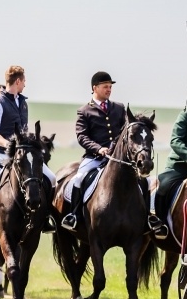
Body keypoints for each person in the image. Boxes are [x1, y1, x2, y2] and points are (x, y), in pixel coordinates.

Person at [60, 71, 166, 238]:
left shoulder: (119, 108)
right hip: (94, 157)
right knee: (78, 179)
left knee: (144, 181)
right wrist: (98, 148)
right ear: (95, 88)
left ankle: (147, 218)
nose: (109, 90)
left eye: (110, 87)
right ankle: (74, 215)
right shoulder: (85, 111)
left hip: (117, 158)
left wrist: (116, 148)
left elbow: (126, 132)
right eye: (105, 87)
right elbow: (82, 136)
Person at [0, 65, 57, 234]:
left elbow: (24, 131)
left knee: (52, 178)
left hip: (22, 155)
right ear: (18, 81)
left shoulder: (23, 103)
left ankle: (47, 215)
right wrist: (9, 145)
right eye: (24, 81)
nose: (25, 84)